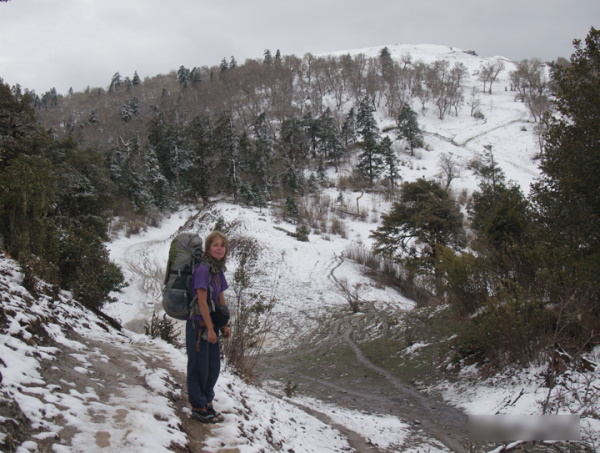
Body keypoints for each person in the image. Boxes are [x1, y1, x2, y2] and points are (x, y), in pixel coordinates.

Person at [186, 230, 231, 423]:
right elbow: (202, 301)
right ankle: (198, 406)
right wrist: (210, 328)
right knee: (199, 366)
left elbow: (220, 295)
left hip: (212, 323)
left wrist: (224, 323)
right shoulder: (203, 269)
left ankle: (207, 402)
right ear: (208, 248)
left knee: (213, 366)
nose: (219, 249)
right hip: (199, 324)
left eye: (222, 245)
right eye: (215, 245)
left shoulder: (217, 268)